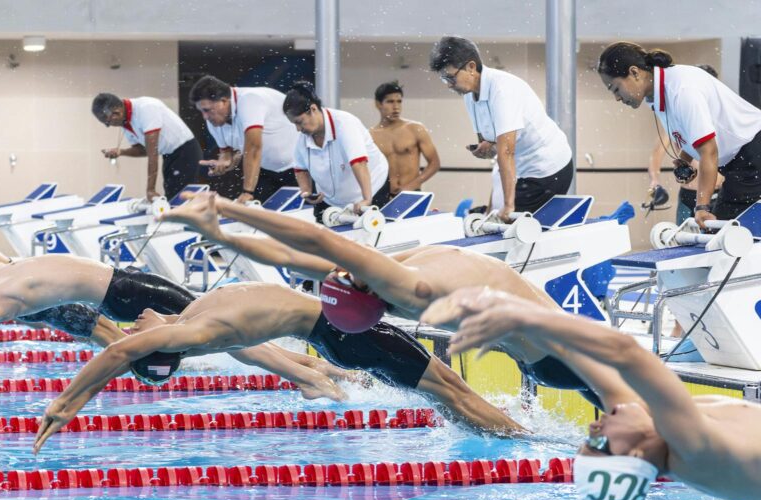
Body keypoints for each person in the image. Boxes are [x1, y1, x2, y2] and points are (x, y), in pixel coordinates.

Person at [169, 191, 634, 409]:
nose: (342, 270)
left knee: (652, 433)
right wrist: (222, 226)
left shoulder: (402, 288)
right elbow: (305, 254)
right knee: (652, 433)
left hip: (560, 357)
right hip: (560, 354)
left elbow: (309, 245)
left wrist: (225, 218)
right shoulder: (399, 275)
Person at [32, 276, 527, 454]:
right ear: (158, 347)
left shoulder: (196, 321)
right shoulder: (192, 332)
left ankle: (504, 436)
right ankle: (530, 443)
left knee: (443, 396)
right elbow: (118, 354)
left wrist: (315, 375)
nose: (130, 326)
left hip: (339, 338)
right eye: (140, 335)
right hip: (347, 334)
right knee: (451, 391)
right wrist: (67, 402)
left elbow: (260, 349)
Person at [0, 254, 348, 409]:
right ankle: (312, 375)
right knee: (229, 336)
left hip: (126, 286)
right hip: (129, 292)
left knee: (230, 336)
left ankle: (313, 370)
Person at [422, 287, 761, 500]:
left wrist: (516, 323)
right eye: (598, 439)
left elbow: (599, 371)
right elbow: (627, 353)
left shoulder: (653, 436)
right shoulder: (694, 446)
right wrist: (524, 316)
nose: (594, 424)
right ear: (636, 455)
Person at [598, 43, 761, 228]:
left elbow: (709, 151)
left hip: (753, 154)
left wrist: (702, 208)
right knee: (724, 232)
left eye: (616, 89)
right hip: (740, 162)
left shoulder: (682, 90)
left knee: (724, 234)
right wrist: (685, 158)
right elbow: (690, 132)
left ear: (634, 72)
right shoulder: (655, 94)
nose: (617, 98)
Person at [430, 36, 573, 217]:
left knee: (511, 222)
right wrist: (485, 148)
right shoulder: (469, 95)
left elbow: (506, 152)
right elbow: (493, 146)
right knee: (494, 215)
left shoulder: (503, 90)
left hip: (548, 167)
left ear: (471, 67)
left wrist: (509, 206)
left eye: (450, 77)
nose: (449, 85)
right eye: (444, 79)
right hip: (519, 164)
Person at [283, 82, 391, 222]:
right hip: (331, 199)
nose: (298, 129)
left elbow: (359, 163)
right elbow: (300, 169)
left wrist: (366, 199)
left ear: (313, 109)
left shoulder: (344, 124)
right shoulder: (303, 137)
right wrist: (307, 192)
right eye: (294, 124)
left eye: (299, 122)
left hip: (373, 188)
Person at [189, 75, 300, 204]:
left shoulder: (250, 99)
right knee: (261, 218)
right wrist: (224, 163)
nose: (205, 117)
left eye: (207, 110)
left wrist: (247, 192)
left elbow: (253, 148)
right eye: (201, 111)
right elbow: (226, 154)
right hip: (266, 171)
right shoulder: (214, 121)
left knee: (309, 218)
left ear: (223, 101)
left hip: (301, 168)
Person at [645, 64, 724, 225]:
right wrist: (655, 181)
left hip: (719, 193)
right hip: (689, 194)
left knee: (716, 242)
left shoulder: (720, 118)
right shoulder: (678, 118)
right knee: (683, 242)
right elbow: (657, 153)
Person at [92, 92, 202, 200]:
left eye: (107, 123)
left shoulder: (146, 108)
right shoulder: (125, 122)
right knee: (172, 197)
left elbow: (152, 153)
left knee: (181, 199)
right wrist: (121, 152)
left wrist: (150, 189)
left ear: (116, 113)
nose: (109, 126)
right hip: (169, 155)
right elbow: (142, 150)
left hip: (186, 151)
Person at [369, 80, 441, 195]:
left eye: (399, 102)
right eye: (390, 102)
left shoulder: (415, 129)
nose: (396, 107)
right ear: (378, 104)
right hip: (383, 195)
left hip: (412, 193)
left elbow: (434, 163)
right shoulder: (370, 136)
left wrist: (413, 185)